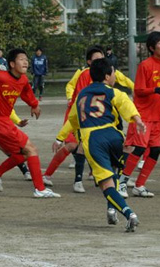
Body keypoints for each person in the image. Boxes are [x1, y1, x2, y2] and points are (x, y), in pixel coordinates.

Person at [65, 58, 145, 231]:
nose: (115, 75)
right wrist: (136, 119)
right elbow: (124, 102)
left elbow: (72, 120)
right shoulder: (112, 91)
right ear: (108, 76)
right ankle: (111, 210)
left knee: (105, 184)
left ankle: (129, 214)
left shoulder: (82, 95)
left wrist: (60, 137)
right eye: (114, 72)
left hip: (94, 139)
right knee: (114, 172)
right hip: (113, 135)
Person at [0, 48, 60, 198]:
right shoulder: (0, 77)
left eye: (26, 59)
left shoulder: (23, 78)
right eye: (21, 59)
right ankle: (39, 189)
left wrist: (34, 104)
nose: (25, 62)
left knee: (24, 154)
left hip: (3, 122)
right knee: (31, 149)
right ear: (12, 64)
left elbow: (26, 90)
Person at [43, 46, 134, 193]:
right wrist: (69, 98)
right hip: (82, 113)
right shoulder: (83, 74)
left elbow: (125, 81)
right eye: (96, 59)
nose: (100, 61)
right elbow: (74, 90)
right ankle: (67, 178)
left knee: (108, 145)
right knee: (75, 146)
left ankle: (113, 177)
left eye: (102, 58)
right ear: (89, 62)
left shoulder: (109, 72)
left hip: (102, 115)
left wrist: (135, 89)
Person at [118, 32, 160, 198]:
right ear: (151, 47)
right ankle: (122, 182)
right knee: (140, 148)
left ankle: (140, 185)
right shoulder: (145, 65)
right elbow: (139, 91)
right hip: (143, 115)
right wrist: (156, 89)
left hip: (159, 116)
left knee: (155, 150)